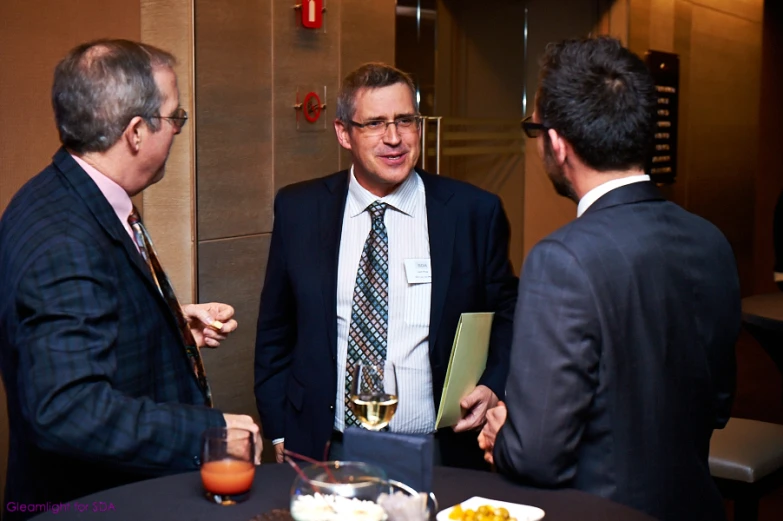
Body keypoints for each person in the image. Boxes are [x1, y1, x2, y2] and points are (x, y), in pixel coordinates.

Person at [477, 37, 739, 521]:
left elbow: (537, 457)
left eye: (535, 129)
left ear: (557, 143)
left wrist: (505, 436)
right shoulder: (711, 240)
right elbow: (717, 404)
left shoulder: (561, 259)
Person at [0, 39, 260, 519]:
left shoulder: (67, 194)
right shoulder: (65, 238)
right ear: (137, 131)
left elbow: (77, 323)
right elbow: (68, 410)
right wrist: (209, 430)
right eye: (174, 117)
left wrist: (171, 325)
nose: (178, 129)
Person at [254, 62, 518, 468]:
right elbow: (275, 330)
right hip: (326, 445)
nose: (393, 138)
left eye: (405, 121)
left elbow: (508, 316)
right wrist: (281, 431)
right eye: (375, 123)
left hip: (439, 451)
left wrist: (492, 386)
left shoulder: (473, 212)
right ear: (344, 133)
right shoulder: (299, 209)